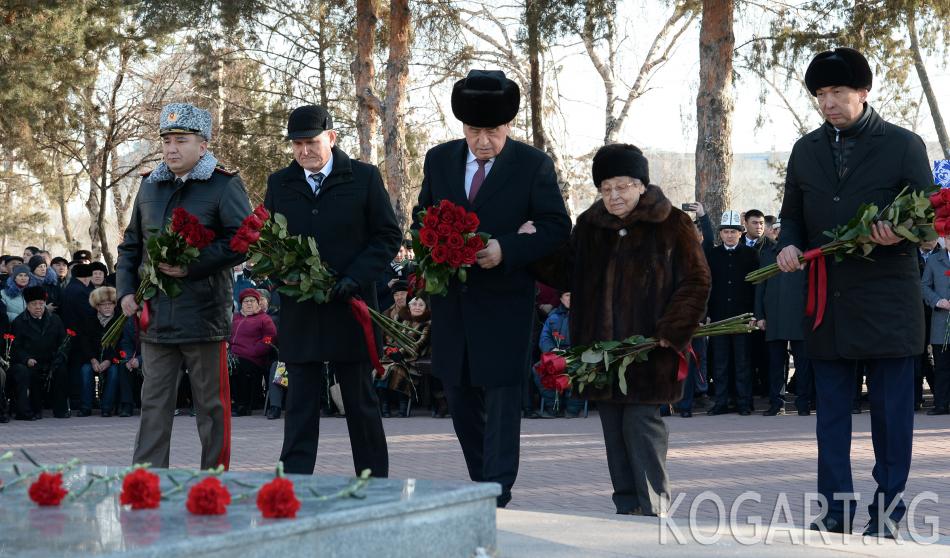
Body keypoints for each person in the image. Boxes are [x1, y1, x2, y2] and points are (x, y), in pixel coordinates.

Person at [776, 47, 934, 538]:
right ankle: (836, 511)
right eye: (821, 95)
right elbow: (793, 215)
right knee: (831, 423)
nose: (829, 103)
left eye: (838, 93)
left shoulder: (904, 145)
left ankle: (887, 514)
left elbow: (928, 225)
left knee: (891, 423)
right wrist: (787, 244)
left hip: (888, 302)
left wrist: (902, 232)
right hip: (830, 304)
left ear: (863, 93)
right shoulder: (805, 150)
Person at [412, 69, 571, 507]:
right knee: (458, 394)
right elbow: (421, 218)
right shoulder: (439, 159)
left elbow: (557, 227)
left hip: (504, 302)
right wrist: (433, 247)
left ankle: (498, 488)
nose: (484, 141)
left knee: (501, 397)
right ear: (463, 126)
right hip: (454, 303)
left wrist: (509, 247)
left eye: (494, 132)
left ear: (508, 127)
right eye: (475, 131)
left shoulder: (533, 164)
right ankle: (482, 478)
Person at [535, 143, 711, 515]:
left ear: (641, 186)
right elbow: (562, 272)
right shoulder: (589, 225)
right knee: (613, 431)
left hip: (651, 351)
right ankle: (626, 510)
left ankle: (654, 510)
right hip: (601, 354)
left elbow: (696, 281)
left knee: (642, 424)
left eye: (622, 187)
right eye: (606, 188)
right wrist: (534, 240)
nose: (613, 196)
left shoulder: (673, 223)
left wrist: (673, 329)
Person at [265, 104, 401, 477]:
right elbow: (268, 242)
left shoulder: (363, 177)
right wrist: (286, 277)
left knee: (359, 400)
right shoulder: (280, 183)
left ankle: (375, 481)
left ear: (331, 137)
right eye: (296, 145)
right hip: (301, 308)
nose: (303, 151)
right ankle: (293, 482)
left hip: (351, 305)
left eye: (310, 142)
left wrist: (355, 277)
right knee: (301, 401)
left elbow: (388, 235)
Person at [117, 102, 251, 470]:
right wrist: (127, 290)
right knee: (154, 403)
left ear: (203, 145)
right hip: (156, 316)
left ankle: (214, 478)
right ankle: (146, 478)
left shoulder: (224, 185)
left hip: (204, 316)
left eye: (181, 140)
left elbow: (243, 240)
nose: (171, 148)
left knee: (211, 406)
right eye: (166, 141)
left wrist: (192, 265)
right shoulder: (149, 186)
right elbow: (131, 245)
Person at [705, 211, 759, 415]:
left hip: (743, 316)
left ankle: (744, 402)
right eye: (726, 231)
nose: (729, 235)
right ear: (721, 234)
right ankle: (720, 401)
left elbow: (756, 286)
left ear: (740, 233)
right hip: (719, 317)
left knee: (743, 362)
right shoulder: (713, 255)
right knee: (720, 362)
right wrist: (707, 313)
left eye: (733, 232)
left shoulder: (750, 254)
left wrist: (755, 313)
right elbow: (708, 286)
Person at [754, 228, 810, 416]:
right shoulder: (768, 254)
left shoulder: (805, 253)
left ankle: (803, 403)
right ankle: (777, 403)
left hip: (800, 316)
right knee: (775, 364)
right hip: (774, 316)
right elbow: (760, 287)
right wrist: (760, 315)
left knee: (803, 364)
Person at [9, 286, 69, 420]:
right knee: (30, 373)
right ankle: (35, 410)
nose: (38, 307)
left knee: (61, 371)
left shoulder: (55, 319)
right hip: (32, 361)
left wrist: (59, 357)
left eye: (41, 304)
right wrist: (26, 359)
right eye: (34, 304)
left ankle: (61, 409)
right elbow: (15, 347)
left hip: (52, 359)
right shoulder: (19, 322)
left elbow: (64, 342)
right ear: (28, 305)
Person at [78, 287, 132, 417]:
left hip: (112, 359)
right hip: (92, 359)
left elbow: (120, 343)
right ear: (97, 307)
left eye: (110, 304)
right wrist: (92, 359)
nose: (107, 307)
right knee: (86, 370)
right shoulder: (89, 319)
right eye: (103, 305)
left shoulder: (121, 320)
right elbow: (84, 342)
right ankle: (85, 407)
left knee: (114, 372)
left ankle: (107, 408)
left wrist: (108, 360)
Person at [380, 295, 432, 418]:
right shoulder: (403, 320)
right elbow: (390, 338)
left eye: (421, 305)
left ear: (425, 308)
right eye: (414, 304)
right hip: (395, 356)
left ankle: (403, 406)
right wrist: (389, 350)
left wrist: (401, 352)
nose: (417, 307)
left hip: (412, 358)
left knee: (396, 369)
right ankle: (384, 406)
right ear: (409, 307)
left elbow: (419, 344)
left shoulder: (426, 324)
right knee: (380, 369)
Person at [229, 288, 277, 416]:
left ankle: (243, 405)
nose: (249, 304)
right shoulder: (235, 318)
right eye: (246, 301)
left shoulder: (264, 319)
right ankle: (228, 402)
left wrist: (255, 350)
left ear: (257, 303)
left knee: (239, 366)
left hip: (254, 358)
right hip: (233, 355)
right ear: (241, 304)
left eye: (252, 301)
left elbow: (269, 338)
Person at [536, 291, 584, 417]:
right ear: (561, 299)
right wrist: (552, 350)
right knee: (538, 369)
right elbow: (544, 337)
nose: (570, 299)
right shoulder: (553, 317)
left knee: (581, 369)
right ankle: (553, 408)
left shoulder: (585, 316)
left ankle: (572, 410)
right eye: (568, 295)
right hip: (555, 354)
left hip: (577, 355)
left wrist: (574, 352)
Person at [920, 233, 950, 415]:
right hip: (941, 320)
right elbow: (924, 286)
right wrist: (938, 301)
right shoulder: (934, 260)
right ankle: (941, 404)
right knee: (942, 366)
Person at [916, 238, 939, 410]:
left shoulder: (943, 254)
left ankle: (941, 396)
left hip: (939, 312)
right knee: (919, 356)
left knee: (940, 356)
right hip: (916, 314)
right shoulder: (910, 254)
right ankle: (916, 399)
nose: (929, 240)